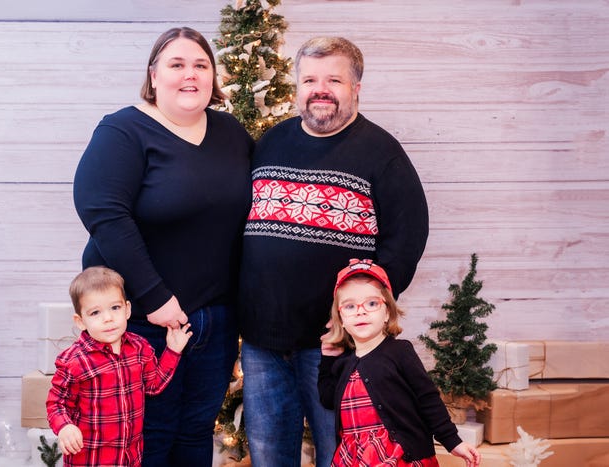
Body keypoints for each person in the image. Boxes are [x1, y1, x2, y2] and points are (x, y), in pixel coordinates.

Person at [238, 36, 429, 467]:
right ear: (297, 86)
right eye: (309, 79)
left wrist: (359, 316)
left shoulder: (382, 153)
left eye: (334, 80)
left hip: (336, 346)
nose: (319, 89)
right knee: (268, 454)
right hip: (262, 340)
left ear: (356, 87)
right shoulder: (270, 142)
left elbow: (406, 241)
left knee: (339, 452)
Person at [72, 27, 253, 466]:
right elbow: (103, 213)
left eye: (200, 65)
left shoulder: (230, 132)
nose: (189, 75)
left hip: (213, 321)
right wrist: (155, 297)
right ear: (154, 75)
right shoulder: (123, 131)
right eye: (176, 65)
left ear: (213, 77)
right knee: (147, 436)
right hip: (141, 322)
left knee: (195, 432)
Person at [318, 259, 480, 467]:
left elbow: (428, 398)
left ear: (387, 312)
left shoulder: (399, 351)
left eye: (372, 303)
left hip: (400, 455)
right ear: (340, 319)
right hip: (355, 458)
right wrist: (326, 360)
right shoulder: (344, 363)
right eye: (350, 306)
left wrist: (452, 441)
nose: (361, 311)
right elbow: (327, 399)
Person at [46, 266, 192, 466]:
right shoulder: (75, 361)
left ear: (127, 309)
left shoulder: (139, 348)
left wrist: (173, 351)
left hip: (129, 458)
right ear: (80, 321)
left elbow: (153, 385)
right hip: (90, 458)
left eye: (115, 308)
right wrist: (64, 427)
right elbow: (57, 403)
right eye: (96, 312)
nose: (108, 318)